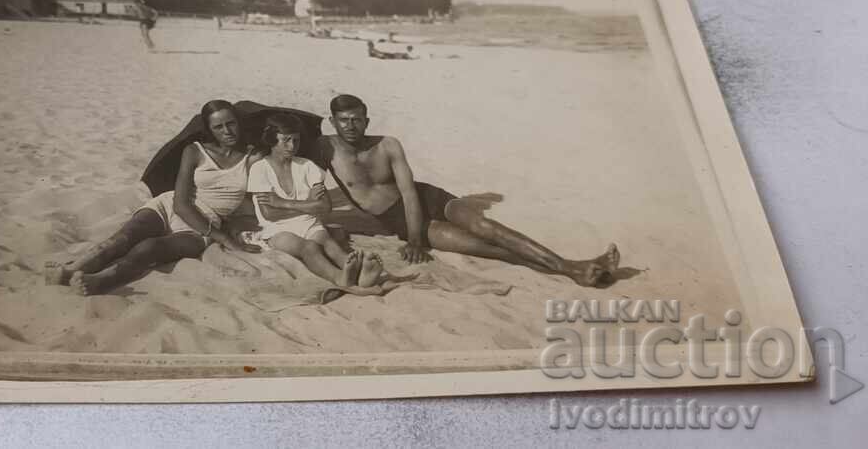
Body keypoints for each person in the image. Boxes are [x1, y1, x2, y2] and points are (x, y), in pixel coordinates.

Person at [317, 94, 621, 287]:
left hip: (428, 198)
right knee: (487, 248)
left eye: (357, 119)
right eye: (343, 120)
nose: (351, 125)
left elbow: (410, 194)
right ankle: (576, 269)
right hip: (398, 219)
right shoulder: (324, 147)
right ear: (333, 121)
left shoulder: (388, 144)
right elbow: (281, 139)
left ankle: (572, 268)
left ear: (367, 120)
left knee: (486, 226)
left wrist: (413, 241)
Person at [46, 100, 261, 294]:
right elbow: (180, 203)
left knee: (149, 248)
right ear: (210, 130)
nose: (227, 131)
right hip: (171, 205)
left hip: (203, 226)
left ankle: (100, 280)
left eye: (231, 123)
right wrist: (225, 240)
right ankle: (71, 270)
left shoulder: (251, 157)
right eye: (218, 127)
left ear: (238, 123)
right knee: (123, 238)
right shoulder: (195, 151)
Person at [247, 114, 388, 294]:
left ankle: (362, 275)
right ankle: (341, 278)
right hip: (277, 229)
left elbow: (325, 207)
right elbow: (270, 214)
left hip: (309, 224)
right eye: (286, 140)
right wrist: (309, 204)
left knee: (329, 244)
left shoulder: (307, 166)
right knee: (309, 247)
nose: (292, 146)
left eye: (296, 141)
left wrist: (283, 203)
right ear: (272, 140)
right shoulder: (260, 169)